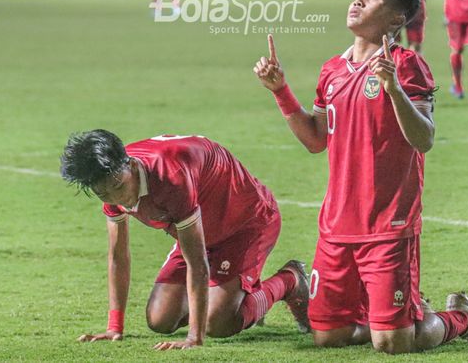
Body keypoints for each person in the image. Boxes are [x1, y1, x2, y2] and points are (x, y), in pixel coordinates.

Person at [252, 0, 468, 354]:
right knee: (327, 337)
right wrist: (280, 91)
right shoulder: (332, 70)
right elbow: (315, 140)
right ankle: (396, 311)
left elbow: (424, 138)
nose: (359, 1)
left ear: (397, 19)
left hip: (388, 224)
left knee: (393, 344)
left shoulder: (406, 65)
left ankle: (460, 317)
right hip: (337, 224)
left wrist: (394, 89)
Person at [60, 130, 309, 350]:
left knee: (218, 323)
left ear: (132, 166)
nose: (117, 198)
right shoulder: (109, 178)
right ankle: (236, 297)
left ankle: (290, 280)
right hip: (198, 228)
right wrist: (115, 326)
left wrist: (194, 337)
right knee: (160, 321)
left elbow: (197, 262)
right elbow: (118, 256)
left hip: (246, 222)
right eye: (103, 193)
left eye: (118, 186)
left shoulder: (170, 177)